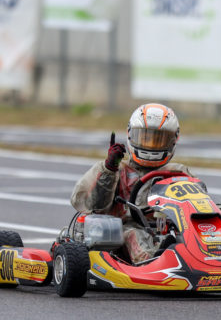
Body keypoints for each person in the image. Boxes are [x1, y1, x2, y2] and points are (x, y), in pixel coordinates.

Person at [71, 103, 193, 263]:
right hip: (121, 232)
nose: (150, 145)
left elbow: (196, 203)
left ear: (173, 140)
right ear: (130, 135)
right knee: (135, 234)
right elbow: (88, 204)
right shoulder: (115, 169)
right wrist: (108, 170)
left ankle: (213, 257)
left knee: (196, 232)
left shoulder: (179, 172)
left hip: (167, 229)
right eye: (145, 138)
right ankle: (154, 262)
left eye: (158, 140)